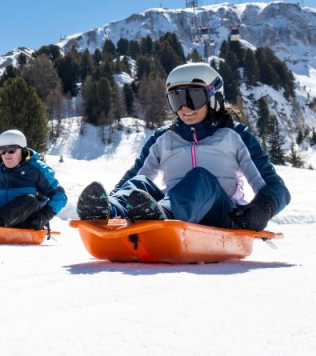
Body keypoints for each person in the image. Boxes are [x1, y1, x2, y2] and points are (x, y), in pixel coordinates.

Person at [77, 62, 289, 231]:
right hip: (168, 210)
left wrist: (263, 208)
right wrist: (115, 198)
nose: (184, 108)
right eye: (176, 99)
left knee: (200, 178)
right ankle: (108, 211)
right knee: (139, 181)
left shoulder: (234, 135)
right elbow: (132, 180)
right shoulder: (163, 138)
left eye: (193, 98)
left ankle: (163, 214)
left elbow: (276, 188)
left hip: (220, 215)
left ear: (214, 97)